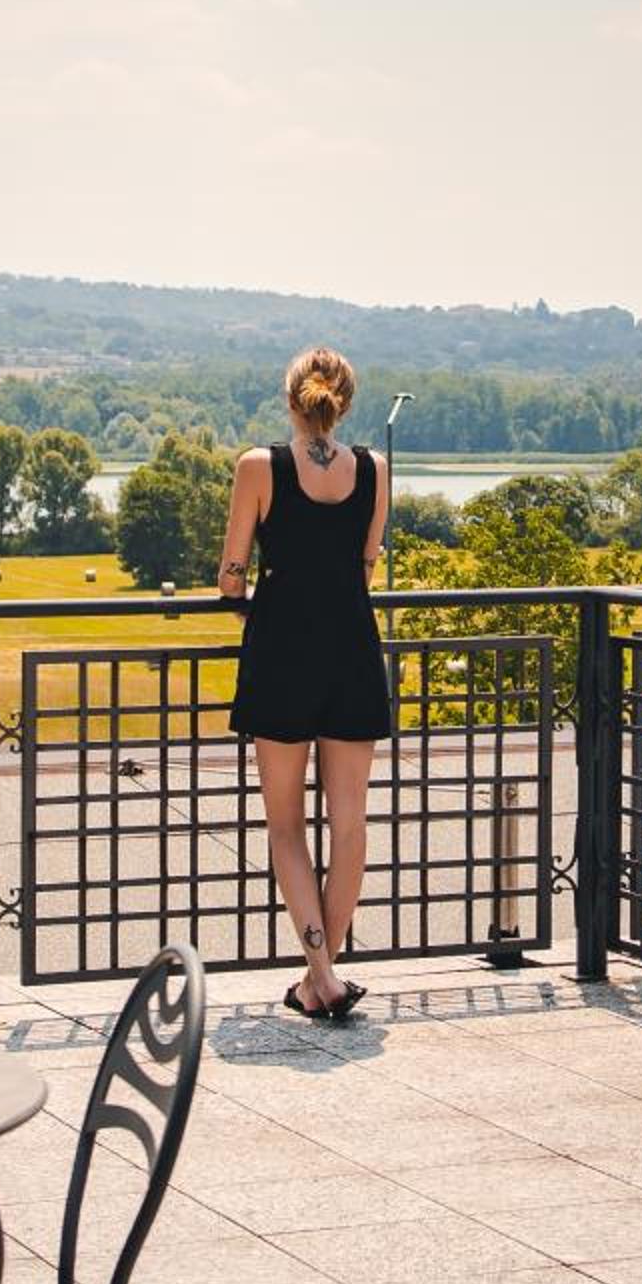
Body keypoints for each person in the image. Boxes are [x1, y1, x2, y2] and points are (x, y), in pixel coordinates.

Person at [220, 345, 394, 1021]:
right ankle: (322, 978)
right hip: (352, 649)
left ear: (289, 398)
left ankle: (320, 976)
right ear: (344, 401)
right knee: (349, 826)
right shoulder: (375, 470)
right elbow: (366, 565)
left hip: (282, 653)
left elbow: (231, 574)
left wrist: (246, 593)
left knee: (287, 826)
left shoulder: (258, 467)